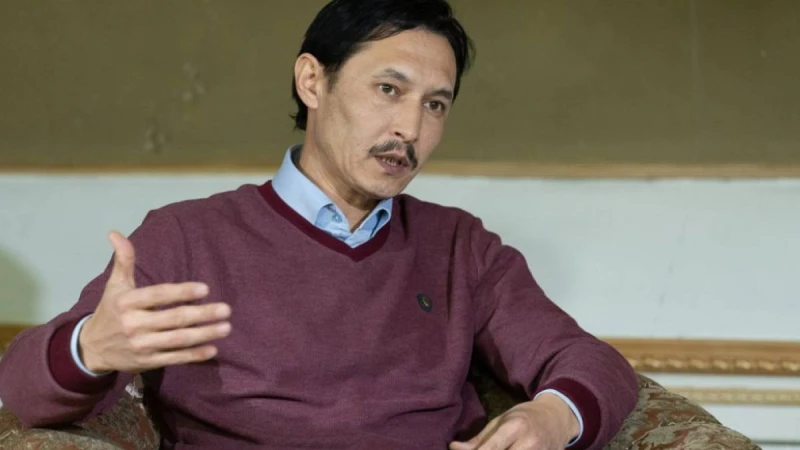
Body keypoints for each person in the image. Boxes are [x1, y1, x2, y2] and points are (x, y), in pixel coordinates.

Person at [0, 1, 638, 448]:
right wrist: (90, 348)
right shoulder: (187, 237)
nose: (410, 129)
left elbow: (591, 361)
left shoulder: (459, 246)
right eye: (389, 89)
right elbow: (23, 390)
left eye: (435, 105)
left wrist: (553, 416)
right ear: (313, 81)